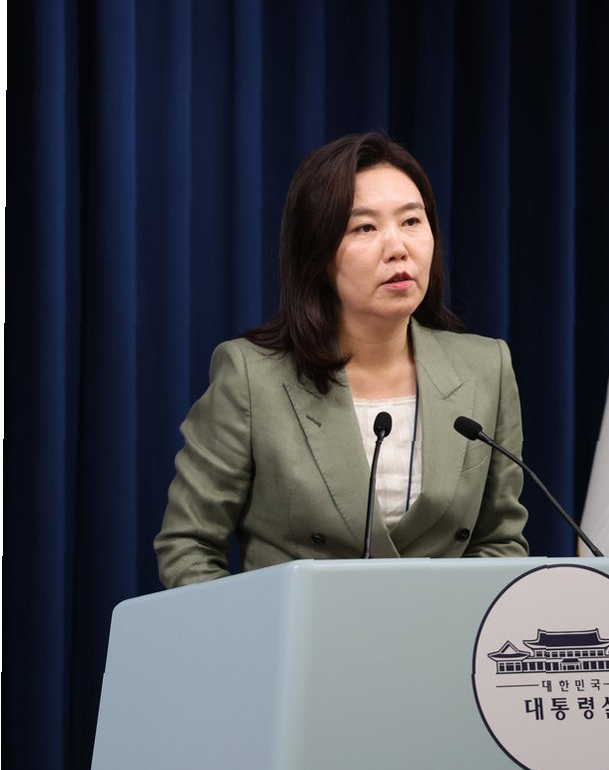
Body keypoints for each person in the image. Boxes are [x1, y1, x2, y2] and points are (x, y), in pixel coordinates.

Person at [154, 133, 529, 587]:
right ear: (317, 253)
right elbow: (189, 544)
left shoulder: (485, 369)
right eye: (365, 228)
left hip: (441, 630)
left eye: (412, 221)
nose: (398, 247)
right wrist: (249, 631)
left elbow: (500, 541)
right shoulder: (252, 377)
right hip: (299, 632)